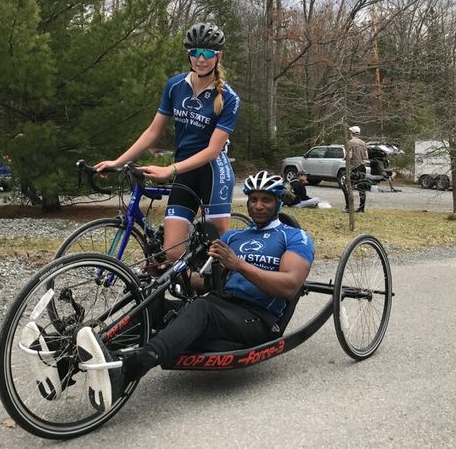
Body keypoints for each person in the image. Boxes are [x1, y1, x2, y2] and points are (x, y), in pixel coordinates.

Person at [76, 170, 315, 411]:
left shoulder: (295, 237)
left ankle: (130, 369)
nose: (259, 206)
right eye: (254, 200)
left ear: (278, 202)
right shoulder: (234, 236)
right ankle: (77, 357)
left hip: (259, 318)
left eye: (266, 200)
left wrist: (239, 264)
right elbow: (207, 284)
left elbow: (290, 285)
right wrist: (170, 271)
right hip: (222, 306)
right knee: (155, 303)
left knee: (203, 308)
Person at [95, 23, 240, 269]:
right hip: (184, 170)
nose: (201, 59)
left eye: (207, 54)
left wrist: (170, 170)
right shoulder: (175, 86)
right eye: (195, 53)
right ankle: (189, 294)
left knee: (220, 253)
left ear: (218, 56)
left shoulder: (229, 98)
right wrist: (117, 162)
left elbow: (213, 150)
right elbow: (153, 131)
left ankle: (227, 298)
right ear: (189, 55)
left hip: (214, 172)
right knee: (173, 253)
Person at [342, 125, 369, 213]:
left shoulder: (350, 142)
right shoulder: (363, 143)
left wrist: (345, 159)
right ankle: (361, 209)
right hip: (362, 167)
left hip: (354, 167)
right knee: (362, 188)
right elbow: (366, 156)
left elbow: (350, 155)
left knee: (347, 186)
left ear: (351, 133)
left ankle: (349, 207)